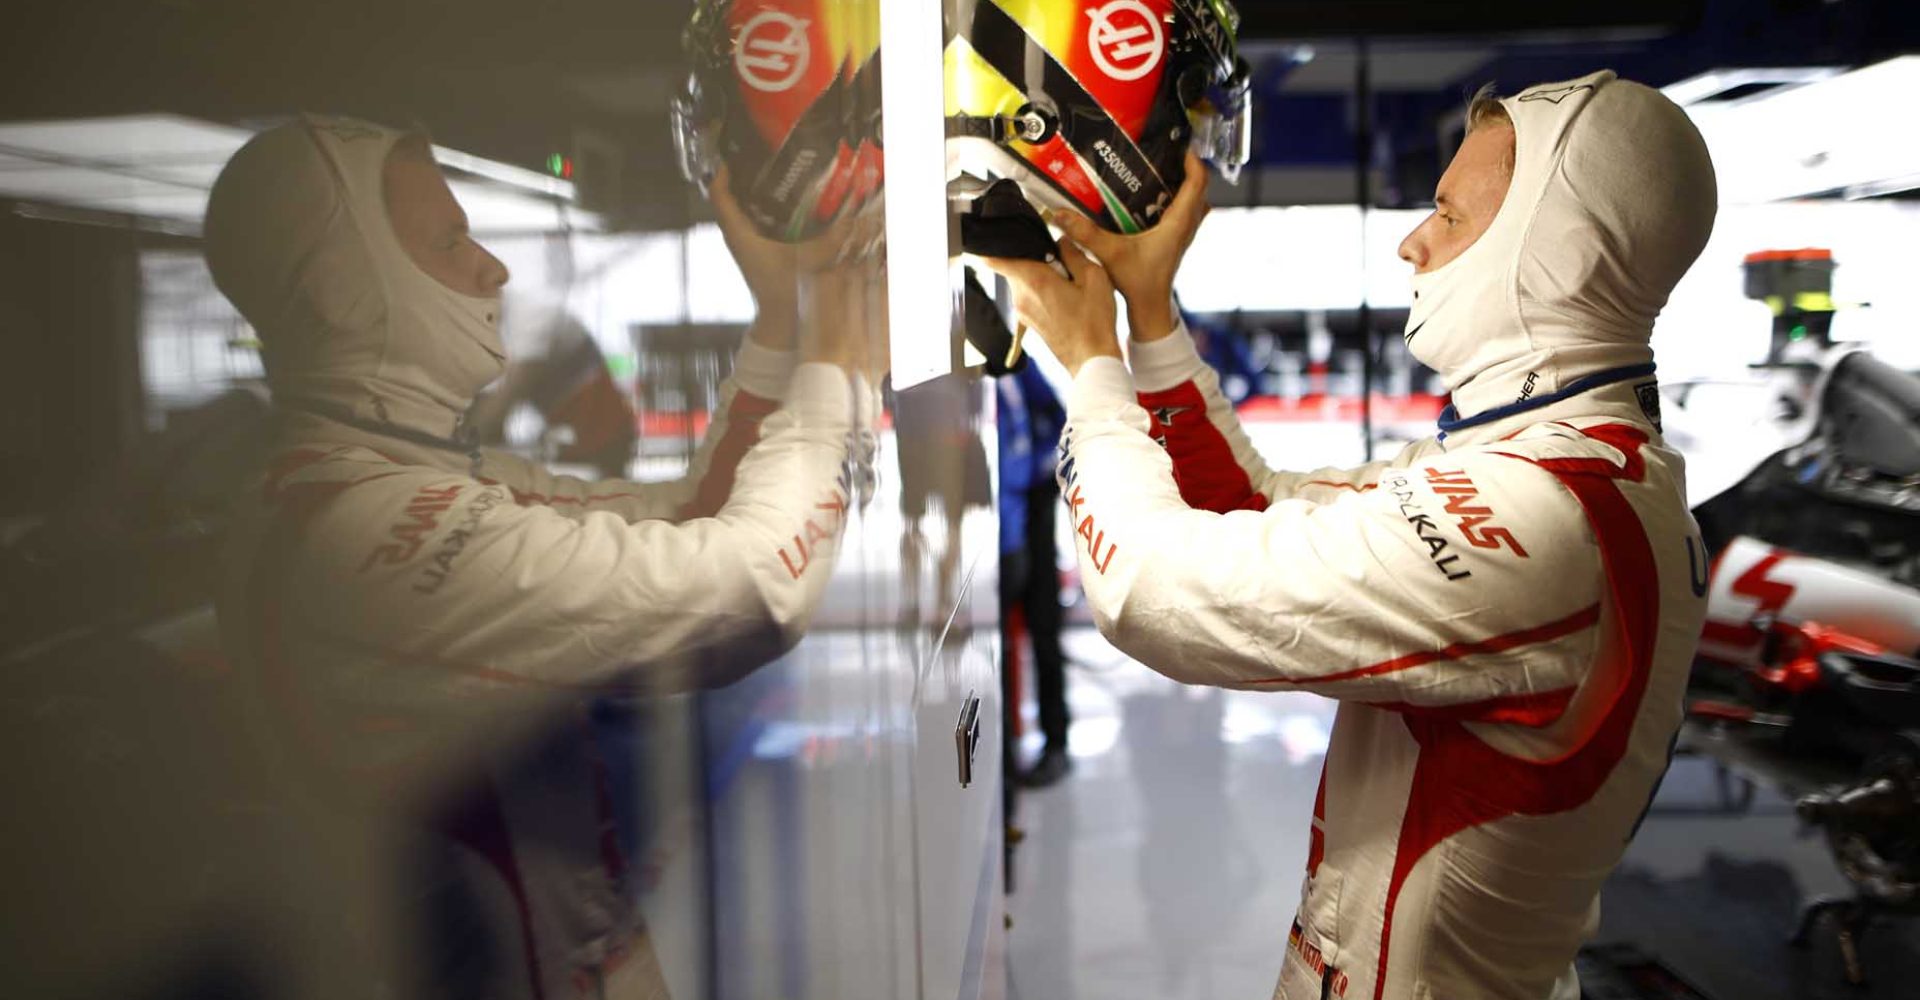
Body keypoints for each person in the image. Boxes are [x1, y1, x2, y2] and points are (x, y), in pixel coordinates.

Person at [983, 71, 1717, 1000]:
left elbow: (1152, 590)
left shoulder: (1547, 518)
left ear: (1558, 255)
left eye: (1447, 215)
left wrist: (1091, 367)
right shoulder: (1572, 475)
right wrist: (1149, 311)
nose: (1414, 241)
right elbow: (1249, 506)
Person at [204, 115, 876, 999]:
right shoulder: (354, 531)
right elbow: (754, 589)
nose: (493, 268)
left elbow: (689, 517)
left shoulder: (391, 481)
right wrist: (837, 358)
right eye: (449, 240)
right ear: (346, 291)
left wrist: (787, 325)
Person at [997, 361, 1071, 787]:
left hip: (1033, 513)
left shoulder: (1013, 362)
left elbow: (1058, 417)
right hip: (995, 526)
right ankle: (1003, 758)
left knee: (1045, 635)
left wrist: (1045, 464)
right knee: (997, 648)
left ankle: (1056, 745)